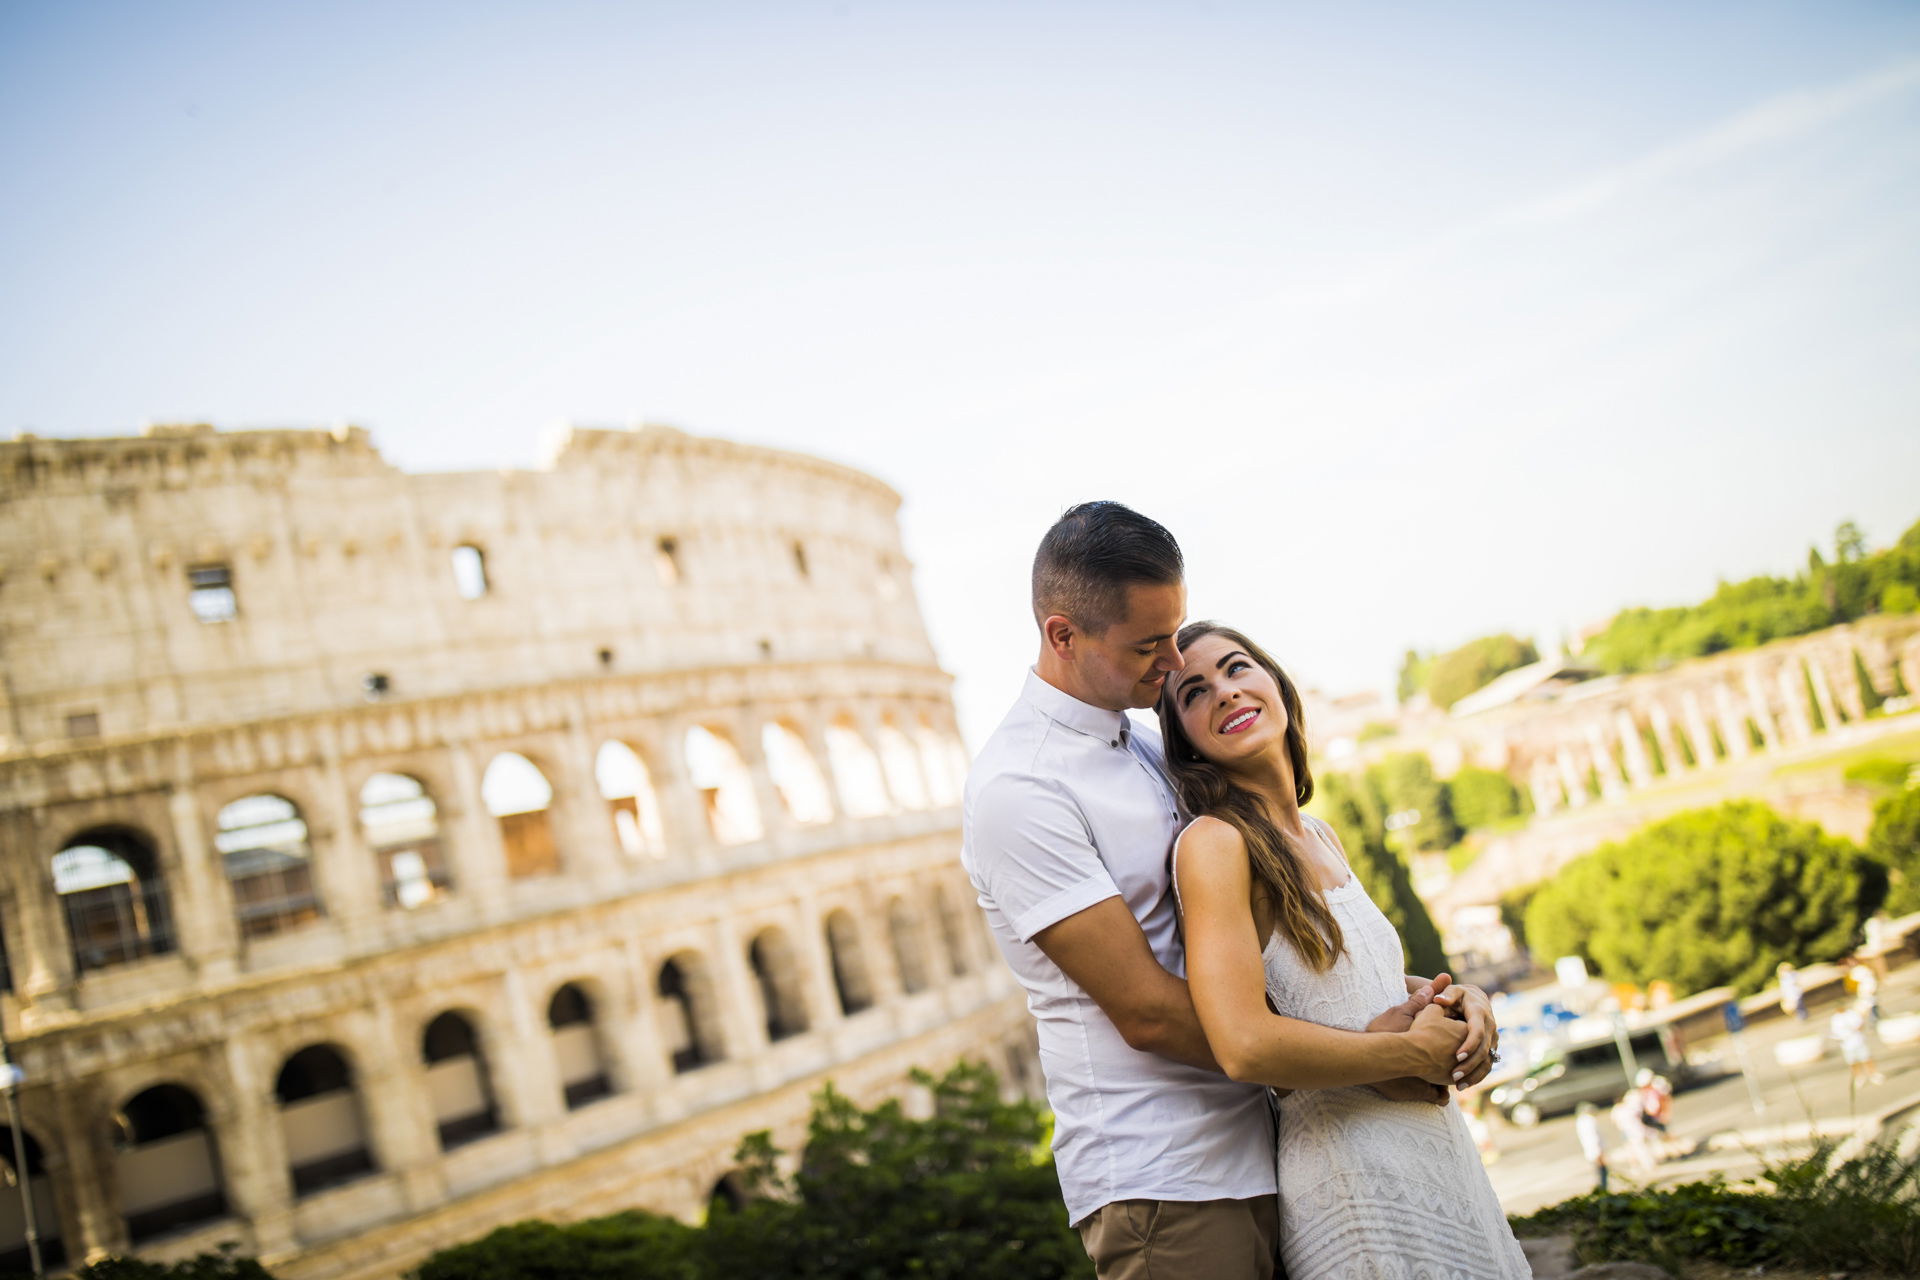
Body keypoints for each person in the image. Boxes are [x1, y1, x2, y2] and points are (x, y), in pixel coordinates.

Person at [963, 505, 1488, 1280]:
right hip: (1165, 1180)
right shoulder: (1021, 788)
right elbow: (1145, 1010)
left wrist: (1436, 1000)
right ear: (1063, 635)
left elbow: (1275, 957)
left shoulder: (1146, 744)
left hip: (1273, 1142)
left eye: (1174, 633)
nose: (1173, 662)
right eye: (1149, 645)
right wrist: (1376, 1055)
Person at [1157, 620, 1528, 1279]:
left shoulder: (1322, 834)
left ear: (1276, 685)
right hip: (1351, 1173)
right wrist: (1411, 1051)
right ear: (1184, 742)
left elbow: (1352, 980)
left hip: (1433, 1148)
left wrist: (1459, 998)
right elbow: (1241, 1042)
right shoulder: (1214, 844)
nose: (1224, 692)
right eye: (1193, 691)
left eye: (1237, 668)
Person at [1574, 1102, 1609, 1192]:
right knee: (1601, 1171)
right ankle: (1603, 1189)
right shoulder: (1589, 1121)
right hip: (1595, 1149)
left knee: (1598, 1170)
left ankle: (1602, 1188)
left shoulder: (1581, 1121)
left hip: (1590, 1149)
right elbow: (1594, 1137)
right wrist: (1599, 1152)